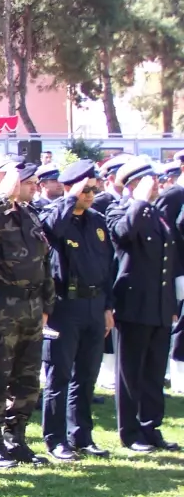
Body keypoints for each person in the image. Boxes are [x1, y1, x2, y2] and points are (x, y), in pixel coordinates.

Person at [0, 161, 54, 468]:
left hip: (31, 307)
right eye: (20, 179)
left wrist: (47, 305)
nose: (29, 184)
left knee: (27, 378)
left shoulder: (29, 213)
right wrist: (1, 194)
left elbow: (44, 263)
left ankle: (17, 439)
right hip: (1, 308)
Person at [38, 160, 114, 461]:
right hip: (64, 306)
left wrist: (108, 306)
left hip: (94, 305)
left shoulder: (96, 220)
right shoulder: (56, 215)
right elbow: (49, 228)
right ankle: (55, 439)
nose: (91, 193)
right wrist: (70, 199)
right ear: (69, 188)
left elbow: (107, 265)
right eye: (85, 188)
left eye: (94, 188)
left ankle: (81, 435)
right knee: (59, 375)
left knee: (86, 375)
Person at [107, 157, 181, 453]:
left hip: (159, 306)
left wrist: (171, 303)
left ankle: (151, 426)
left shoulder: (156, 213)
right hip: (133, 305)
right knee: (130, 372)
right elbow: (123, 234)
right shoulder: (122, 209)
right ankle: (130, 431)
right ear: (135, 183)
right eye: (151, 180)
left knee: (153, 370)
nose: (158, 185)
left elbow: (167, 262)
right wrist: (137, 201)